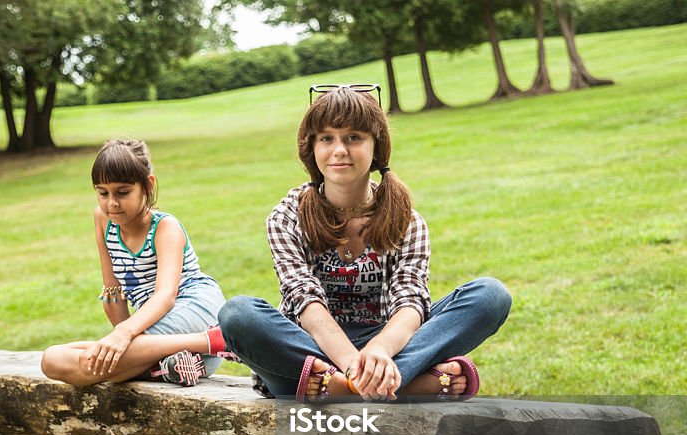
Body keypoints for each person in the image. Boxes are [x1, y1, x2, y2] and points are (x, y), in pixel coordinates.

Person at [216, 84, 512, 402]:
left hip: (386, 342)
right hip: (309, 345)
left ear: (376, 146)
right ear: (311, 148)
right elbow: (305, 301)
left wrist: (380, 350)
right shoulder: (287, 216)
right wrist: (353, 365)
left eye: (353, 138)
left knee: (490, 296)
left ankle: (343, 389)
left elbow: (410, 302)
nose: (339, 150)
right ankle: (401, 384)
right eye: (326, 138)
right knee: (238, 315)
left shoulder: (407, 219)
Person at [41, 139, 228, 387]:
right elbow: (113, 290)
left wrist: (125, 334)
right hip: (163, 336)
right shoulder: (103, 219)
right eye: (102, 193)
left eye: (123, 192)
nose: (112, 203)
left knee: (89, 366)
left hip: (193, 309)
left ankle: (216, 340)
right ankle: (167, 366)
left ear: (147, 185)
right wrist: (122, 340)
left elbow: (165, 295)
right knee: (52, 359)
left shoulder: (165, 227)